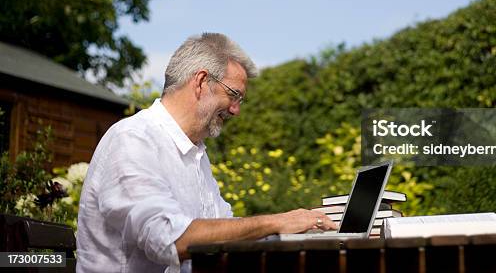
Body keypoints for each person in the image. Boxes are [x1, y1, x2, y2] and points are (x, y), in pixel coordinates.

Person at [76, 33, 336, 273]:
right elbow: (169, 239)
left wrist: (305, 227)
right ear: (201, 82)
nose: (236, 110)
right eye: (234, 95)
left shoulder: (195, 153)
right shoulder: (134, 140)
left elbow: (226, 230)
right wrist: (276, 222)